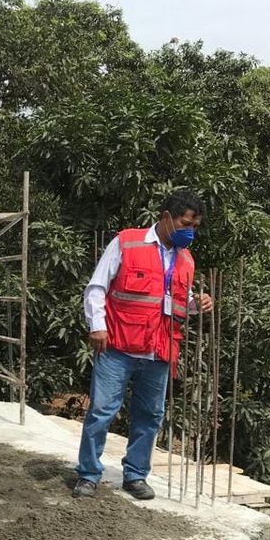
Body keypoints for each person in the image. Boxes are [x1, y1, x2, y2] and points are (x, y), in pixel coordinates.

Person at [74, 190, 213, 501]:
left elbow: (176, 302)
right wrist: (97, 326)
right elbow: (97, 287)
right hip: (118, 345)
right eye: (185, 223)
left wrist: (197, 303)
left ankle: (136, 475)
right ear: (166, 218)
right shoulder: (128, 242)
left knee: (150, 416)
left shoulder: (185, 259)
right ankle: (88, 474)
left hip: (159, 349)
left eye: (195, 226)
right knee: (101, 411)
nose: (190, 231)